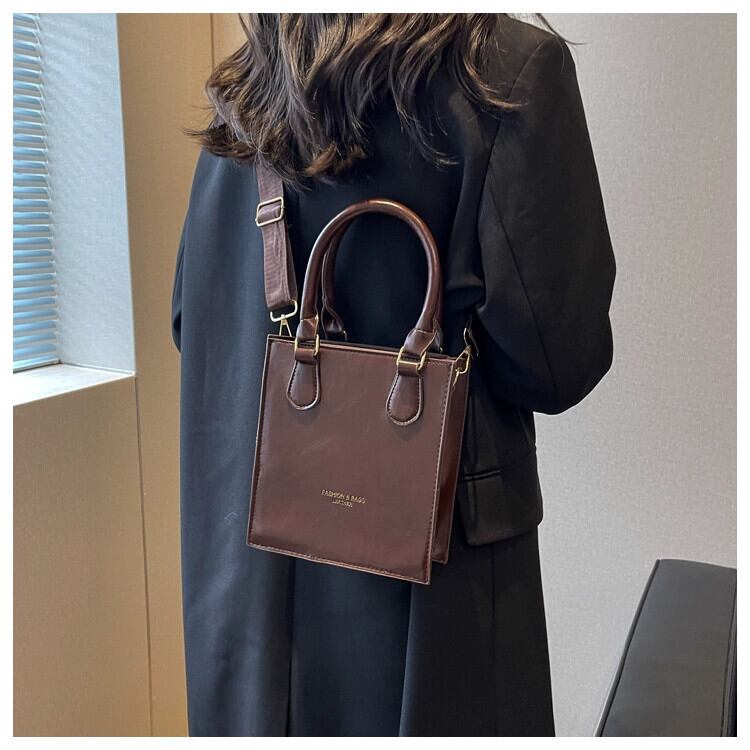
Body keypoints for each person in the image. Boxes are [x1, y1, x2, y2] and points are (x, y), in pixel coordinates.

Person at [171, 12, 615, 737]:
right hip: (429, 600)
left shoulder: (250, 84)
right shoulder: (502, 72)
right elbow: (558, 363)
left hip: (243, 585)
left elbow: (193, 323)